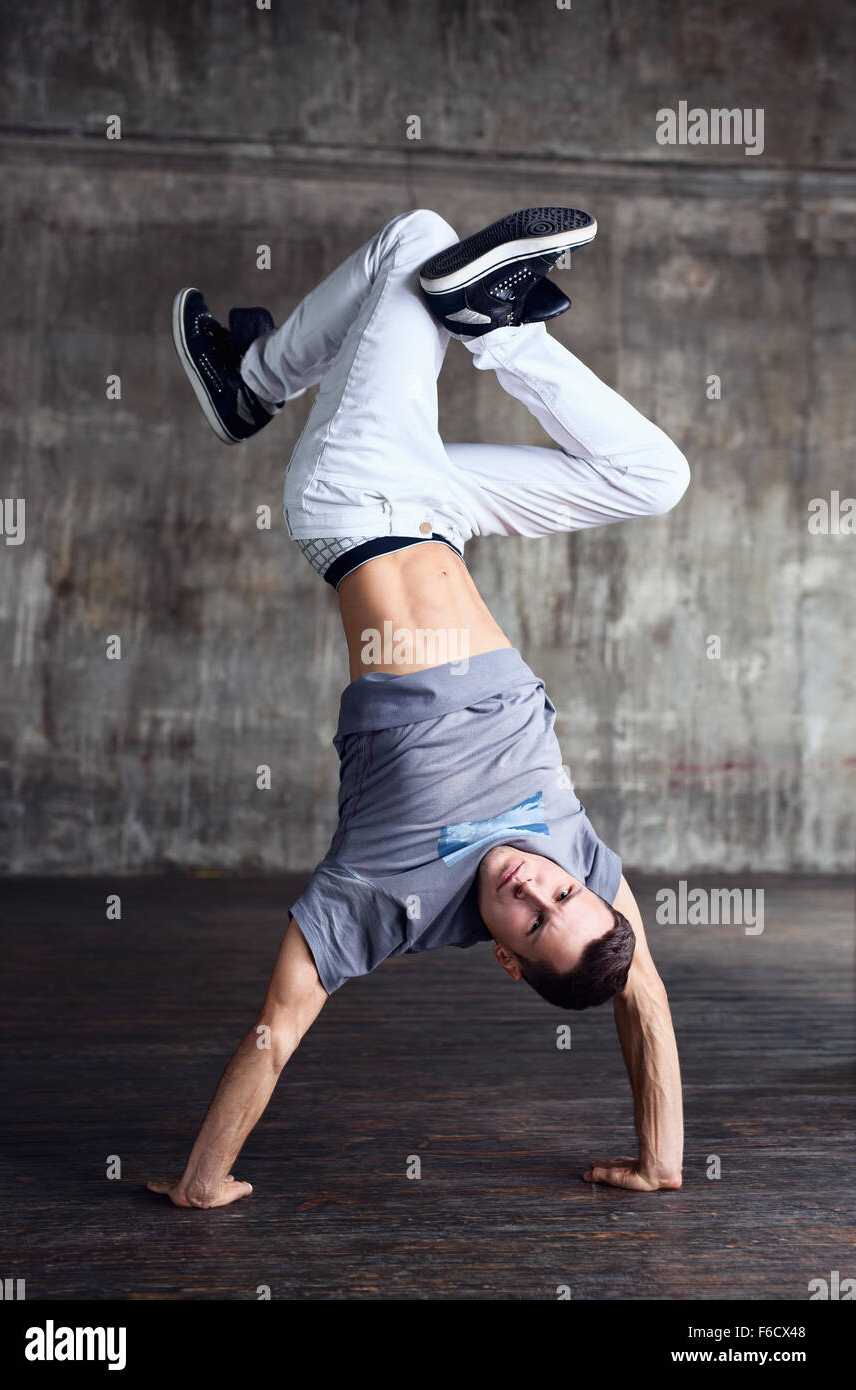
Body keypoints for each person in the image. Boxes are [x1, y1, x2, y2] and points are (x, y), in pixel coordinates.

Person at [149, 208, 686, 1209]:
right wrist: (658, 1162)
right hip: (445, 508)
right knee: (655, 477)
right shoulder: (576, 857)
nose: (537, 887)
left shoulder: (387, 897)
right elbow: (642, 1002)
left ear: (509, 963)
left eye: (530, 919)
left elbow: (276, 1027)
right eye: (561, 896)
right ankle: (498, 328)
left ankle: (250, 382)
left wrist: (203, 1179)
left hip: (357, 505)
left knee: (417, 236)